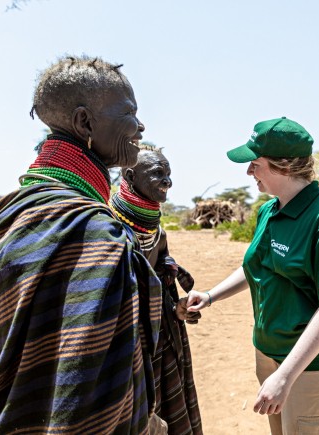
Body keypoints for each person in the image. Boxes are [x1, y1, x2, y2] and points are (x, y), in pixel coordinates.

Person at [0, 55, 162, 434]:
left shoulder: (4, 212)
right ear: (85, 123)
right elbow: (89, 402)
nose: (140, 125)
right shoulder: (100, 237)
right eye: (130, 113)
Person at [187, 117, 319, 435]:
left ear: (285, 166)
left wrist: (286, 376)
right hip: (268, 353)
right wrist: (210, 296)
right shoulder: (269, 211)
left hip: (310, 366)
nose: (249, 171)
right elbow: (255, 268)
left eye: (255, 164)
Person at [110, 145, 203, 435]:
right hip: (124, 342)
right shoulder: (108, 226)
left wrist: (176, 307)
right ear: (130, 176)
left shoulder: (157, 232)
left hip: (158, 336)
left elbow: (161, 280)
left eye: (169, 174)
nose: (168, 182)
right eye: (158, 174)